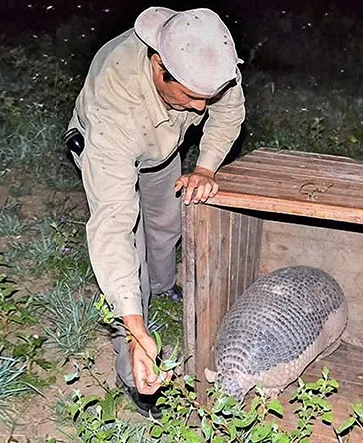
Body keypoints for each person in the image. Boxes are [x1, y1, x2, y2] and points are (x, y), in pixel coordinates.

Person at [63, 6, 246, 417]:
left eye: (207, 97)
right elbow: (113, 225)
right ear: (158, 64)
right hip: (110, 145)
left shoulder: (207, 54)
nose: (201, 110)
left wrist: (204, 167)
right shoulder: (115, 104)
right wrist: (135, 327)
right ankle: (133, 366)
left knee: (166, 221)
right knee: (132, 250)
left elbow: (229, 112)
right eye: (192, 98)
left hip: (163, 147)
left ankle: (164, 286)